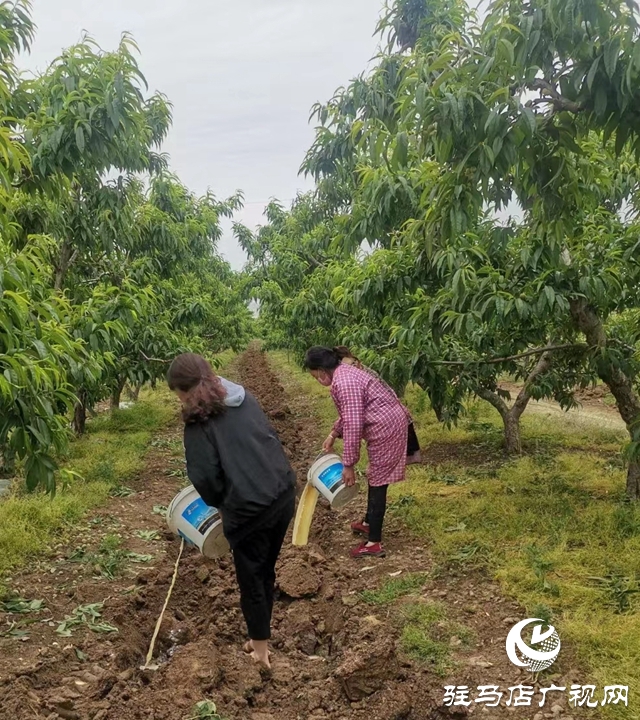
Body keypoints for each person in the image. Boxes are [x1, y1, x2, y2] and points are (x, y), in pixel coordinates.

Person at [167, 353, 296, 669]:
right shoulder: (243, 398)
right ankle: (258, 634)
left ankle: (261, 653)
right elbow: (268, 439)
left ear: (185, 391)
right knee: (265, 569)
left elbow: (206, 478)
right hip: (281, 495)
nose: (180, 400)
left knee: (251, 578)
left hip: (250, 512)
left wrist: (222, 504)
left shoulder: (199, 424)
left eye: (179, 394)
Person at [305, 346, 411, 558]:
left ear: (323, 370)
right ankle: (368, 522)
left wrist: (349, 464)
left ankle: (374, 542)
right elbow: (349, 412)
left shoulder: (345, 382)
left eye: (316, 376)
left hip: (386, 427)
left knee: (378, 479)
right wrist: (333, 434)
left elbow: (353, 422)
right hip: (385, 423)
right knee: (376, 476)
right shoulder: (344, 373)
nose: (318, 381)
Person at [333, 346, 422, 464]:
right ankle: (410, 456)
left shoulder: (348, 367)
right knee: (406, 423)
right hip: (390, 403)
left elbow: (352, 412)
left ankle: (408, 458)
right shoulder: (355, 363)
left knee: (403, 428)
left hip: (385, 406)